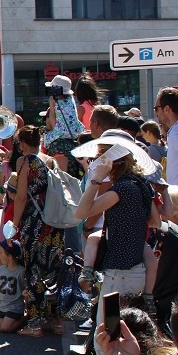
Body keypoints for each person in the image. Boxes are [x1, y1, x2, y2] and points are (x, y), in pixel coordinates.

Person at [73, 134, 159, 344]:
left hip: (120, 274)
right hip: (135, 270)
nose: (96, 161)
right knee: (127, 336)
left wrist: (95, 180)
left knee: (105, 338)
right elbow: (155, 221)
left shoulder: (122, 188)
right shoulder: (139, 183)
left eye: (100, 155)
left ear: (111, 158)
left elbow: (81, 212)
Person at [11, 125, 66, 337]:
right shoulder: (50, 160)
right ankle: (56, 320)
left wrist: (15, 224)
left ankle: (34, 322)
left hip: (33, 224)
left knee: (33, 271)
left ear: (22, 143)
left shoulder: (25, 161)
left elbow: (22, 196)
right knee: (53, 269)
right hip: (53, 222)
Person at [44, 75, 86, 176]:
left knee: (61, 178)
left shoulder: (56, 101)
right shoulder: (70, 100)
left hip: (60, 143)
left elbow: (53, 125)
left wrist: (51, 105)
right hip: (73, 139)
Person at [0, 238, 26, 333]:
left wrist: (27, 302)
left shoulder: (20, 271)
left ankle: (23, 318)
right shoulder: (2, 269)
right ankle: (9, 319)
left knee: (5, 328)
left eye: (1, 253)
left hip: (15, 306)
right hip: (3, 305)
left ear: (10, 257)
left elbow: (25, 288)